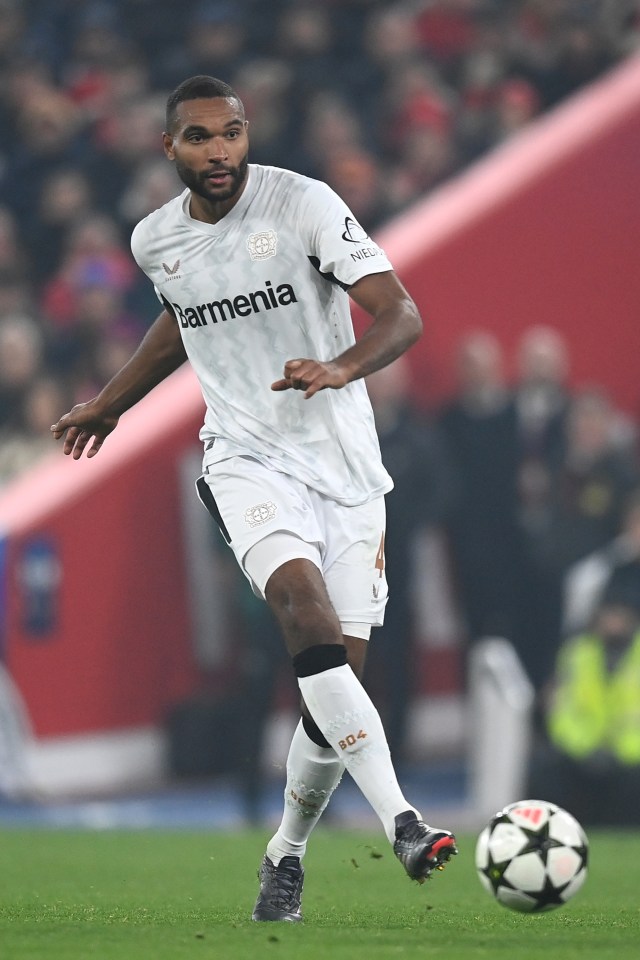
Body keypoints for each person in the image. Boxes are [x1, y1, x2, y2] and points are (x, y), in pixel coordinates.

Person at [50, 75, 457, 923]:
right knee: (300, 609)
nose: (219, 151)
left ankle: (286, 852)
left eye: (230, 134)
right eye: (199, 138)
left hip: (345, 467)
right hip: (244, 457)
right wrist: (109, 405)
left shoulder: (304, 205)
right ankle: (406, 823)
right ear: (171, 150)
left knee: (335, 679)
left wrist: (341, 367)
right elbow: (181, 321)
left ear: (247, 135)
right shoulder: (154, 240)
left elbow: (402, 314)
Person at [528, 585, 640, 827]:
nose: (614, 621)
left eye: (620, 613)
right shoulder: (577, 653)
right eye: (609, 613)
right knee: (545, 770)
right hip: (583, 753)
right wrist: (584, 749)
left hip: (632, 756)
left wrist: (621, 752)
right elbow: (561, 711)